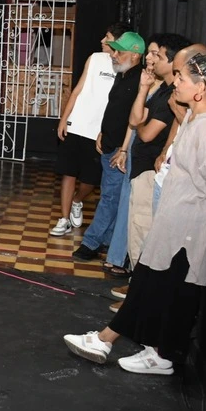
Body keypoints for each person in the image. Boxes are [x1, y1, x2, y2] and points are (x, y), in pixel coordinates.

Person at [63, 45, 206, 375]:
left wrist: (198, 208)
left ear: (200, 88)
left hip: (186, 226)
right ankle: (155, 352)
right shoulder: (196, 119)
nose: (177, 82)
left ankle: (109, 340)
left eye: (182, 78)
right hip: (176, 221)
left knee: (156, 285)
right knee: (160, 286)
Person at [101, 33, 189, 271]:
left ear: (173, 61)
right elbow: (134, 118)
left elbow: (147, 132)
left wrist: (139, 125)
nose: (150, 59)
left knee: (144, 232)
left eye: (156, 54)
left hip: (151, 171)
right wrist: (142, 90)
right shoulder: (160, 91)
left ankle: (136, 289)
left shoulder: (172, 95)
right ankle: (134, 284)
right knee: (137, 228)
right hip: (141, 168)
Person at [50, 23, 131, 237]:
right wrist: (64, 119)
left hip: (100, 131)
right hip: (77, 123)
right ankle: (64, 218)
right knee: (68, 172)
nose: (102, 41)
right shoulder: (94, 59)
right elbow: (77, 90)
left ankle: (78, 200)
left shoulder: (125, 66)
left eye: (107, 38)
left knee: (90, 179)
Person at [73, 32, 145, 267]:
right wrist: (103, 132)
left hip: (119, 150)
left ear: (135, 55)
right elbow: (114, 109)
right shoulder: (122, 75)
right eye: (113, 50)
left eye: (119, 51)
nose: (113, 55)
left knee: (109, 197)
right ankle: (105, 239)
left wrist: (124, 149)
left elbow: (135, 120)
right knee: (110, 196)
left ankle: (91, 243)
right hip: (108, 144)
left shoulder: (139, 81)